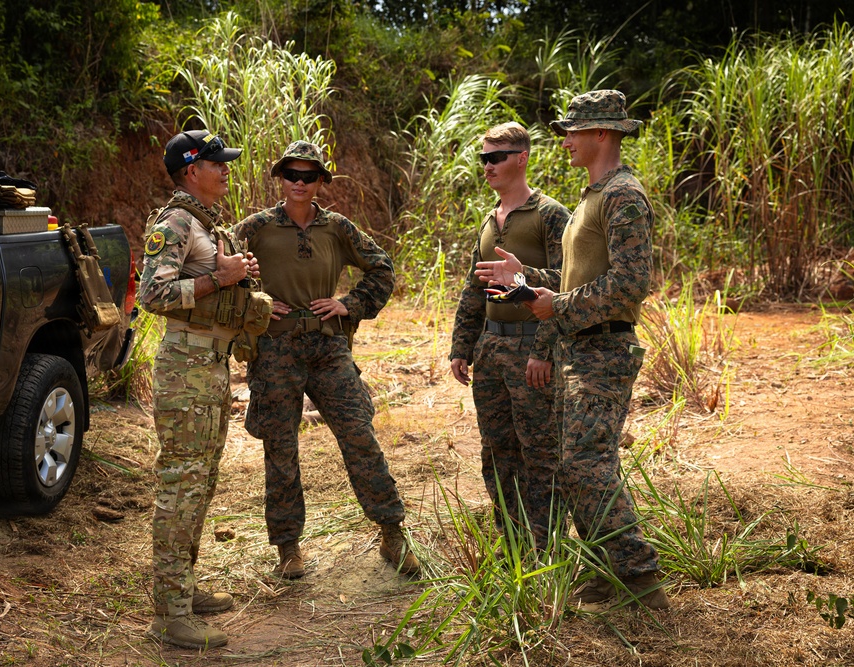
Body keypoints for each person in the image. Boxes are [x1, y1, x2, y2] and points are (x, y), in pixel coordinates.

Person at [475, 90, 671, 610]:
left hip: (604, 349)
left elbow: (630, 284)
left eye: (572, 132)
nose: (564, 141)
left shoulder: (623, 195)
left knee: (586, 465)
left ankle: (640, 578)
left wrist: (555, 305)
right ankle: (607, 570)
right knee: (570, 466)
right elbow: (574, 279)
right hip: (577, 348)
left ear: (602, 133)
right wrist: (525, 277)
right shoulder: (592, 196)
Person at [233, 140, 420, 580]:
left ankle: (392, 534)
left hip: (328, 347)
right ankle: (288, 547)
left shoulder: (337, 228)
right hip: (275, 351)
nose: (299, 183)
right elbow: (218, 269)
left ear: (321, 181)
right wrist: (253, 303)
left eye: (308, 176)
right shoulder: (255, 228)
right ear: (280, 179)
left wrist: (348, 304)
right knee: (281, 447)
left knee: (359, 435)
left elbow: (382, 268)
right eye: (291, 175)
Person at [139, 128, 260, 648]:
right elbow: (152, 294)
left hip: (208, 366)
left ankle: (182, 592)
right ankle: (169, 614)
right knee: (182, 484)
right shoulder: (176, 222)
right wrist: (220, 279)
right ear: (192, 171)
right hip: (185, 368)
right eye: (217, 163)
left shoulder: (205, 223)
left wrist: (239, 276)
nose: (226, 170)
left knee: (201, 481)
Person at [449, 122, 570, 550]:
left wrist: (543, 350)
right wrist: (462, 347)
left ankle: (547, 545)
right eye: (483, 158)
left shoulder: (550, 214)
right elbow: (474, 288)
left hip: (532, 346)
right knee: (497, 450)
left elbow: (567, 284)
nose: (487, 166)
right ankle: (512, 540)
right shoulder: (490, 220)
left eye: (496, 157)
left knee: (539, 450)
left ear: (521, 159)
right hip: (491, 349)